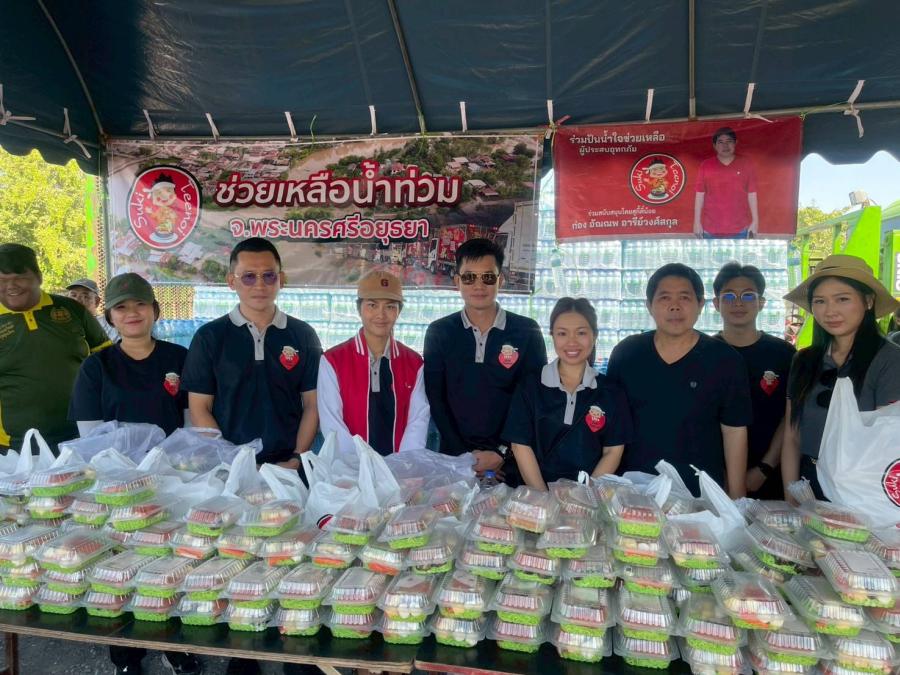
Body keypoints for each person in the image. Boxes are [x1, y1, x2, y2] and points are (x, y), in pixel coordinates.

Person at [69, 274, 200, 675]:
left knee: (172, 566)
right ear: (110, 316)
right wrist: (129, 477)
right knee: (119, 569)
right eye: (121, 307)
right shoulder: (97, 366)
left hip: (172, 482)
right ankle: (126, 657)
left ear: (155, 311)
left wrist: (169, 468)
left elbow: (191, 426)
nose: (132, 313)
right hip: (118, 488)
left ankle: (176, 647)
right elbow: (91, 438)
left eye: (140, 304)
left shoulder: (179, 359)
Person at [606, 263, 752, 497]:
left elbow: (734, 431)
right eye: (664, 298)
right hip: (634, 493)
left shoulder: (725, 360)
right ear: (649, 306)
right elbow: (612, 428)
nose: (674, 306)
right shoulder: (626, 354)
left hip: (701, 495)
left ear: (700, 305)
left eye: (684, 297)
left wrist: (737, 497)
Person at [182, 237, 321, 469]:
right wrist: (232, 460)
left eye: (269, 276)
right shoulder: (209, 337)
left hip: (289, 466)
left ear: (281, 280)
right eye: (248, 276)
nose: (259, 285)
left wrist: (297, 458)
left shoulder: (304, 335)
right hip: (228, 467)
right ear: (231, 281)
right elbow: (199, 408)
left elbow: (312, 404)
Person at [424, 238, 547, 483]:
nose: (479, 285)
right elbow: (436, 398)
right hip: (455, 462)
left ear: (501, 280)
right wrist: (465, 458)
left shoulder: (527, 331)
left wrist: (502, 452)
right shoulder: (439, 332)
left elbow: (532, 399)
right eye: (469, 277)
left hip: (512, 461)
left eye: (488, 277)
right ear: (457, 281)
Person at [781, 254, 900, 501]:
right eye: (820, 301)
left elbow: (887, 444)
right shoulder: (804, 359)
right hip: (807, 482)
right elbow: (792, 435)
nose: (830, 311)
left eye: (842, 299)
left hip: (862, 490)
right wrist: (792, 496)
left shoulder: (889, 360)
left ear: (868, 301)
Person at [503, 297, 632, 489]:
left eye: (581, 333)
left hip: (588, 497)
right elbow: (520, 445)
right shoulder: (530, 386)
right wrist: (543, 497)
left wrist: (584, 497)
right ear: (552, 336)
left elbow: (612, 451)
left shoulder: (611, 392)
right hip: (535, 495)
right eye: (562, 333)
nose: (572, 342)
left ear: (595, 335)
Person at [0, 243, 110, 452]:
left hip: (82, 435)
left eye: (19, 277)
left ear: (39, 277)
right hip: (13, 447)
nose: (11, 286)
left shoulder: (72, 309)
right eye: (2, 280)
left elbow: (107, 359)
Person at [318, 270, 429, 455]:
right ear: (359, 308)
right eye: (372, 305)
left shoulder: (414, 363)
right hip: (350, 467)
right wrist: (359, 466)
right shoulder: (333, 361)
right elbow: (332, 423)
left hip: (399, 468)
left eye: (390, 306)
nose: (381, 315)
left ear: (399, 311)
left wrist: (403, 464)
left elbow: (418, 419)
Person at [713, 262, 795, 499]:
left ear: (761, 303)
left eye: (748, 295)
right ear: (716, 304)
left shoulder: (784, 354)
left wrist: (765, 468)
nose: (738, 303)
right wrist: (725, 475)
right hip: (715, 478)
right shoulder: (703, 354)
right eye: (729, 296)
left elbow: (790, 418)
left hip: (770, 476)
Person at [693, 127, 759, 239]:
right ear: (714, 145)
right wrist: (696, 222)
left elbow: (752, 193)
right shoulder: (706, 165)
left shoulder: (746, 163)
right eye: (720, 142)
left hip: (740, 229)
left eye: (729, 141)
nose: (725, 146)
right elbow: (699, 195)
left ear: (735, 143)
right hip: (710, 229)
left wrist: (755, 221)